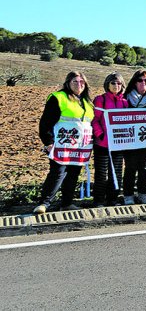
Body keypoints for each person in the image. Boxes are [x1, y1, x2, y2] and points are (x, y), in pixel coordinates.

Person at [33, 71, 95, 214]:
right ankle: (44, 203)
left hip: (80, 146)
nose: (79, 85)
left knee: (73, 174)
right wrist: (48, 142)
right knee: (58, 173)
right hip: (62, 144)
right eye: (75, 81)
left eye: (82, 82)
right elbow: (46, 122)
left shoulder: (87, 102)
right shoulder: (58, 97)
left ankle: (66, 203)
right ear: (68, 83)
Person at [123, 70, 146, 205]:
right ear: (134, 82)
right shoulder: (126, 97)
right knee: (130, 167)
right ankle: (128, 195)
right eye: (140, 80)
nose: (143, 83)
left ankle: (143, 194)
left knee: (144, 168)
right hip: (130, 139)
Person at [91, 72, 128, 207]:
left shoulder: (125, 102)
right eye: (113, 83)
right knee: (101, 173)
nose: (116, 85)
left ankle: (113, 199)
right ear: (107, 84)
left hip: (118, 144)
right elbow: (95, 119)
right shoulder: (100, 99)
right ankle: (99, 200)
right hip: (102, 144)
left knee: (116, 172)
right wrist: (100, 135)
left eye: (119, 83)